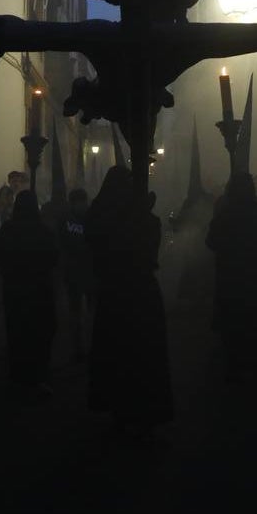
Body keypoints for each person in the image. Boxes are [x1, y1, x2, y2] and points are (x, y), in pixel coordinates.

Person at [86, 167, 173, 438]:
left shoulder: (105, 216)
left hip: (116, 293)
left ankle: (122, 412)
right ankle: (138, 413)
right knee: (138, 352)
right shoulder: (137, 219)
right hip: (137, 292)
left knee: (122, 352)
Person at [206, 172, 257, 381]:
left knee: (235, 322)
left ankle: (237, 366)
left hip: (232, 278)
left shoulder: (226, 212)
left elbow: (211, 241)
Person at [0, 191, 59, 398]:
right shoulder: (43, 232)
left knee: (17, 333)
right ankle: (37, 376)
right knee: (38, 335)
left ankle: (18, 376)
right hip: (39, 291)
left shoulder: (8, 229)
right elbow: (53, 257)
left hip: (15, 291)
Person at [58, 188, 95, 361]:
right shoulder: (65, 219)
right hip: (74, 271)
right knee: (76, 312)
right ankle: (78, 346)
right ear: (72, 203)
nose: (82, 205)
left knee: (89, 310)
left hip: (87, 271)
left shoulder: (91, 218)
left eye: (83, 202)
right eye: (79, 202)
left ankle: (88, 344)